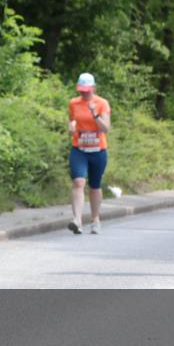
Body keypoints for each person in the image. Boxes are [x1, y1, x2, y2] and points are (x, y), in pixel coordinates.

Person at [66, 73, 111, 234]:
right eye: (81, 90)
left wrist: (95, 114)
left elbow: (106, 128)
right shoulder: (74, 103)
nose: (84, 93)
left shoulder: (102, 103)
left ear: (93, 88)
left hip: (98, 150)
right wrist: (71, 127)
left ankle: (95, 219)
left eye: (87, 90)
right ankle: (77, 220)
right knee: (78, 182)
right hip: (79, 149)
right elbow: (72, 121)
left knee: (94, 186)